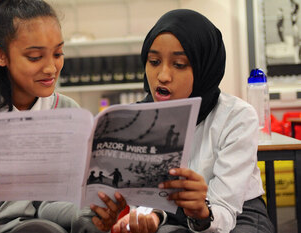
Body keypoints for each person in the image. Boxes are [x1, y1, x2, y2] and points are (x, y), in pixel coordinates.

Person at [0, 1, 125, 232]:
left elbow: (52, 207)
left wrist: (93, 214)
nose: (51, 68)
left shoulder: (67, 111)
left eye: (58, 53)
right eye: (35, 57)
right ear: (0, 55)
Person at [112, 9, 274, 233]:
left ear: (203, 67)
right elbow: (143, 196)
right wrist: (145, 215)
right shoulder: (137, 119)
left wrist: (201, 212)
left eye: (179, 64)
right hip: (166, 214)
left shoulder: (236, 117)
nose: (163, 75)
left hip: (235, 214)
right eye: (154, 61)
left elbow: (225, 208)